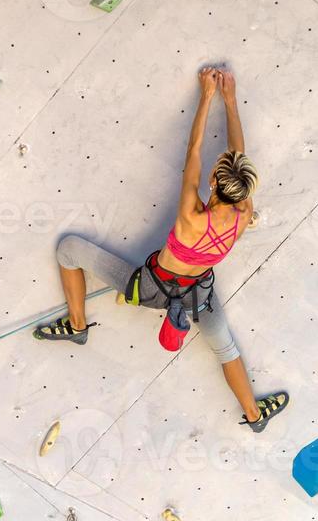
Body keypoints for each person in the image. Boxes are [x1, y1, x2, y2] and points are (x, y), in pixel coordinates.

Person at [35, 67, 288, 434]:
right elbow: (238, 156)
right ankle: (253, 414)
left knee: (69, 250)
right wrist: (231, 101)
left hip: (150, 287)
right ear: (243, 191)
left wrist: (207, 97)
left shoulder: (190, 214)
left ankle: (77, 324)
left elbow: (194, 151)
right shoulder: (243, 213)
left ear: (215, 181)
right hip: (197, 297)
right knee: (225, 348)